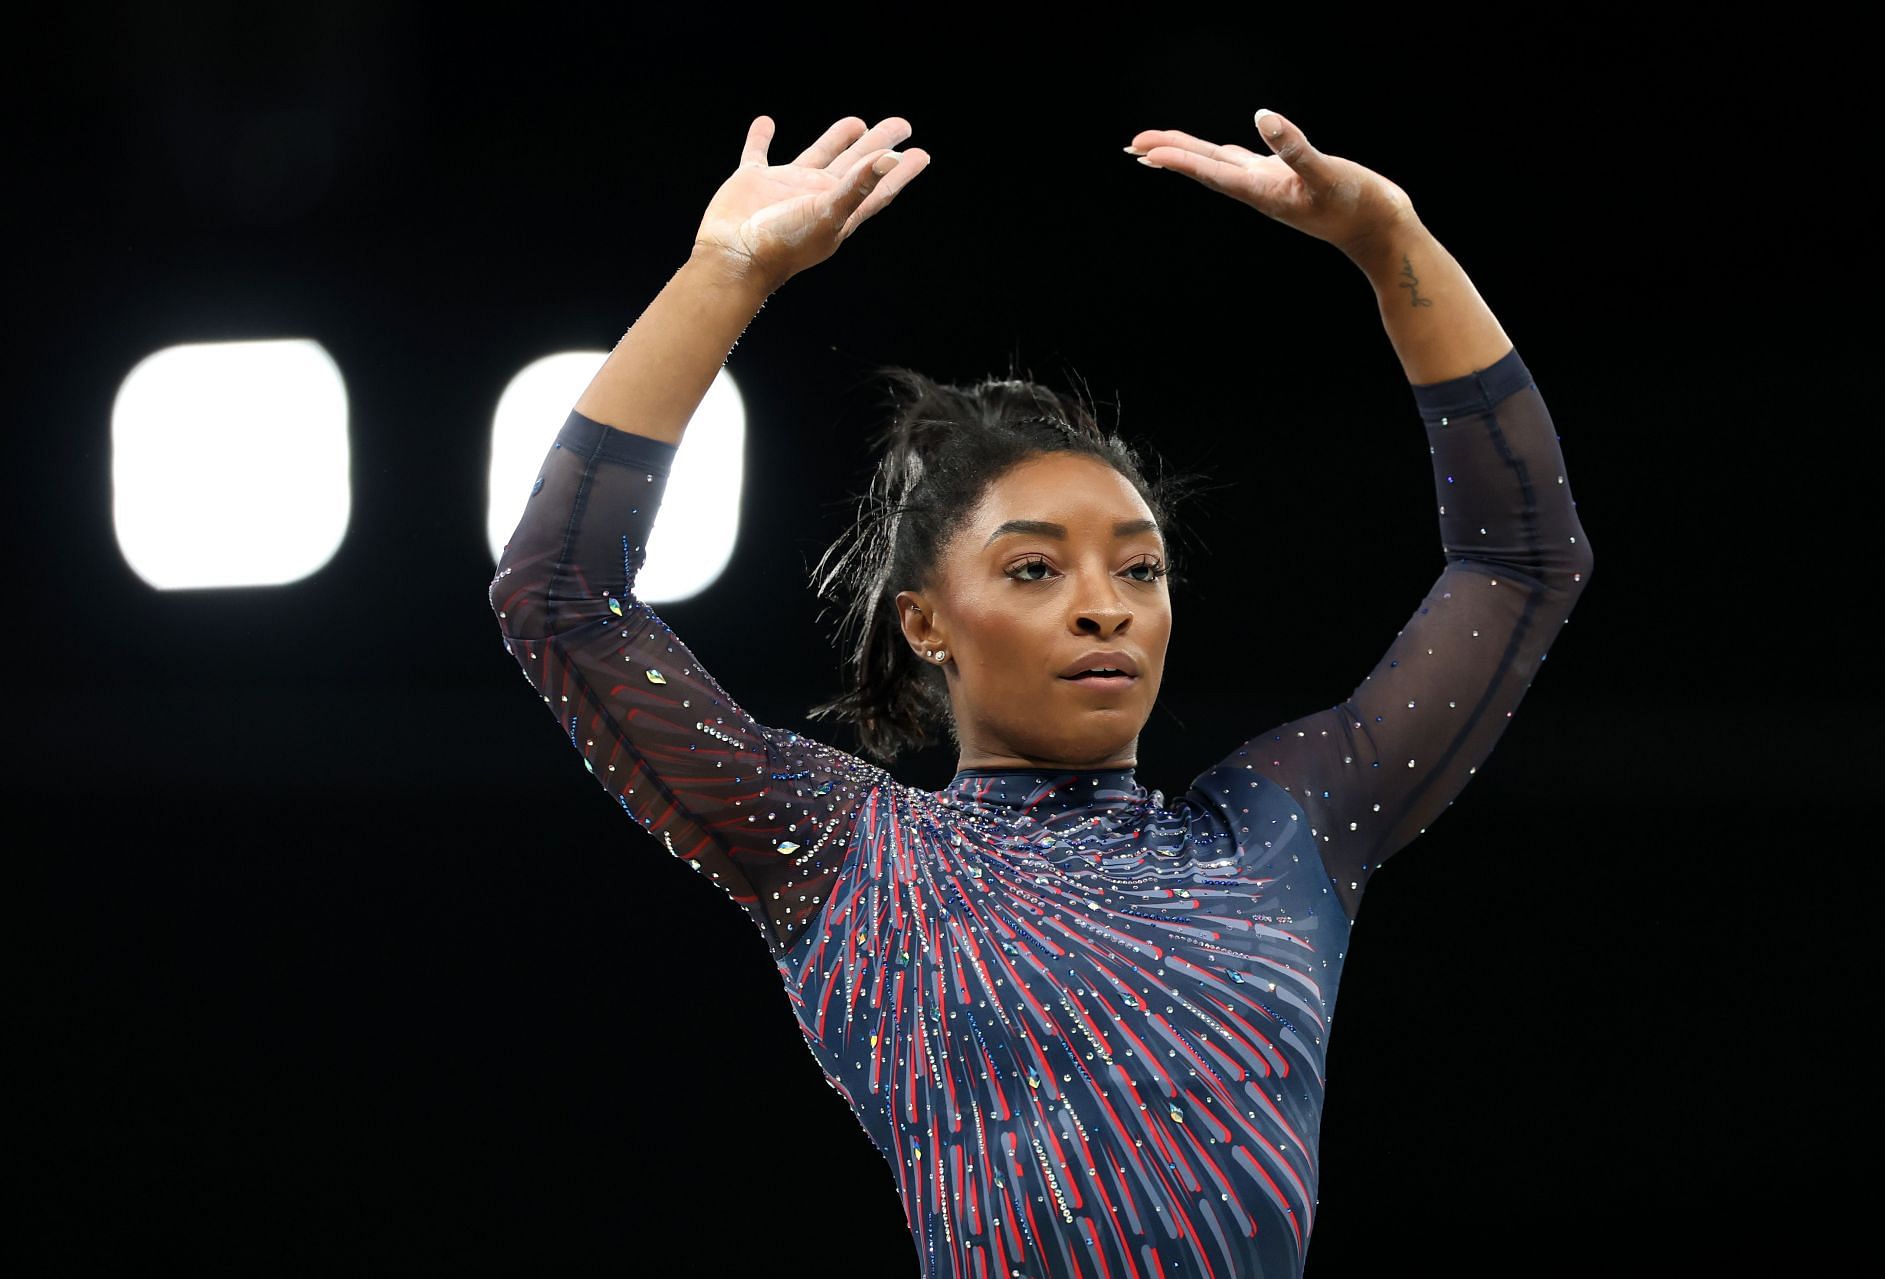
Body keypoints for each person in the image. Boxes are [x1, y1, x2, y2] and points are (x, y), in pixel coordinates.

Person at [489, 109, 1593, 1279]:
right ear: (925, 621)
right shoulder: (852, 855)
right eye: (1033, 568)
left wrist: (1392, 242)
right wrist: (725, 272)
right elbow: (557, 596)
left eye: (1139, 567)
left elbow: (1523, 557)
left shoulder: (1277, 835)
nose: (1103, 605)